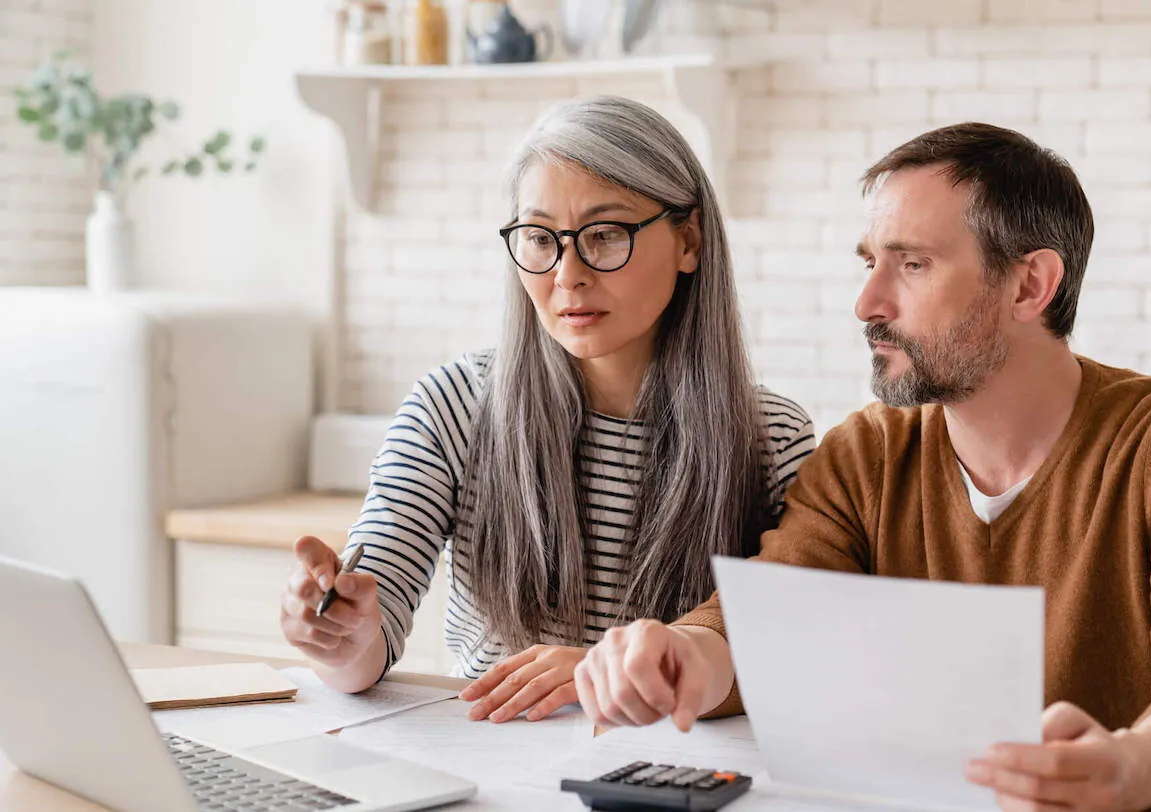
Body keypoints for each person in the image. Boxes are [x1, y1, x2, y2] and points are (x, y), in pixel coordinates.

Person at [572, 122, 1151, 811]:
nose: (867, 302)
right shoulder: (868, 453)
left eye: (912, 265)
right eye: (870, 263)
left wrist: (1129, 766)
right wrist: (681, 656)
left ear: (1029, 286)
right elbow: (772, 618)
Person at [278, 96, 815, 725]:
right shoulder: (455, 405)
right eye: (539, 239)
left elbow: (790, 653)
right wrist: (339, 632)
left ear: (689, 239)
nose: (568, 275)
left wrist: (600, 676)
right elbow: (370, 638)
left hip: (679, 772)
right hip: (498, 761)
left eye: (606, 235)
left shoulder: (772, 437)